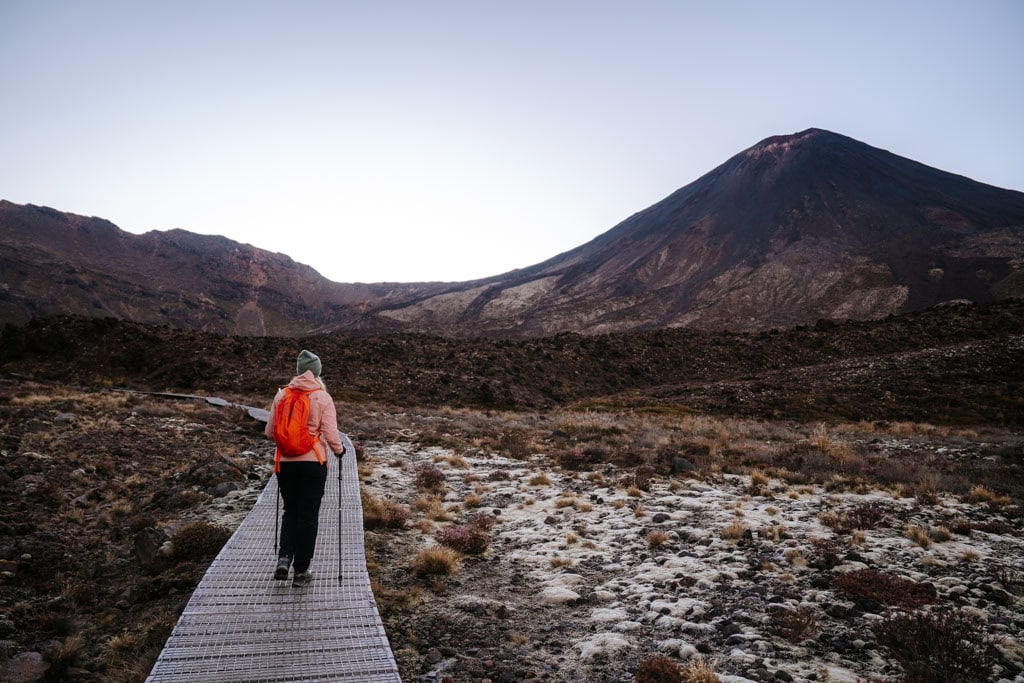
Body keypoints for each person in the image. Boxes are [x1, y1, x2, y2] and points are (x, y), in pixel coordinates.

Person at [264, 349, 344, 587]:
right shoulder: (322, 397)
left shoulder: (281, 396)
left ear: (299, 371)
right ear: (317, 372)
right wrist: (340, 450)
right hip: (313, 464)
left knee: (290, 511)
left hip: (285, 464)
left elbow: (269, 432)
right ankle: (301, 571)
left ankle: (283, 559)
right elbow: (330, 433)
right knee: (308, 516)